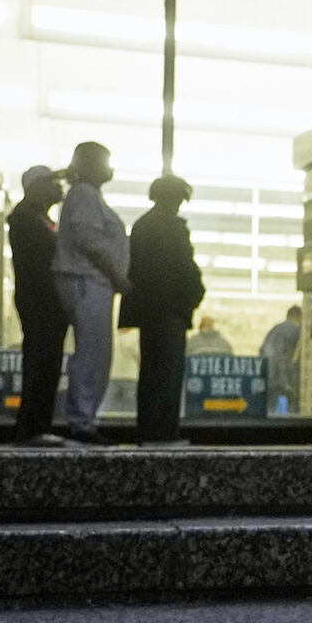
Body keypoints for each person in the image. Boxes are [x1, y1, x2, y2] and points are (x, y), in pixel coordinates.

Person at [52, 141, 129, 446]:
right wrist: (117, 275)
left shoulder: (88, 195)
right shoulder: (83, 194)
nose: (111, 169)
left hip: (93, 282)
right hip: (87, 280)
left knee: (95, 352)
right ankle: (82, 421)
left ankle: (84, 417)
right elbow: (90, 242)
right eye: (106, 162)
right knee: (92, 353)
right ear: (90, 164)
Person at [118, 175, 205, 446]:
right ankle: (164, 433)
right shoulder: (172, 226)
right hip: (170, 310)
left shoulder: (143, 225)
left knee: (151, 372)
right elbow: (184, 267)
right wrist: (195, 293)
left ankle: (149, 430)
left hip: (149, 311)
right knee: (168, 372)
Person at [8, 165, 68, 447]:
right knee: (40, 361)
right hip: (38, 300)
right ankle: (31, 427)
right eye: (52, 182)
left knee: (47, 363)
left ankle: (36, 425)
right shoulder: (24, 217)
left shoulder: (40, 217)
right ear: (35, 186)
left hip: (46, 300)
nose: (59, 187)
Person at [260, 305, 303, 414]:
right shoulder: (297, 331)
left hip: (270, 378)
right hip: (287, 380)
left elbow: (262, 351)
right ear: (299, 317)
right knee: (287, 414)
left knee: (271, 412)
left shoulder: (274, 329)